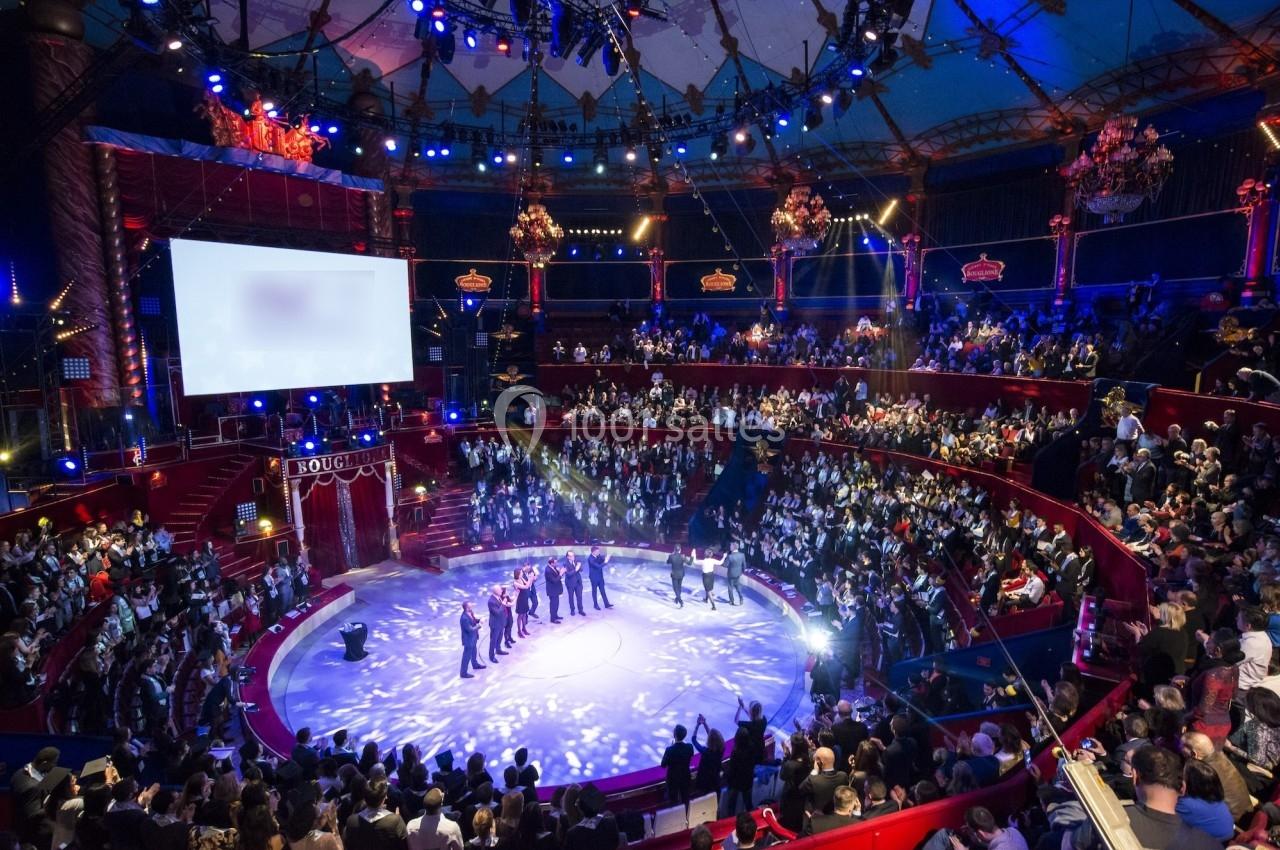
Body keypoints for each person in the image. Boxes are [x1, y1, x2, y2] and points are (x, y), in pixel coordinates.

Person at [342, 780, 407, 850]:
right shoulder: (395, 821)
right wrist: (397, 820)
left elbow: (348, 845)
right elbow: (404, 845)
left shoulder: (351, 821)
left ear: (365, 798)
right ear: (384, 798)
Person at [660, 724, 694, 806]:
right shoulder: (689, 747)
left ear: (674, 734)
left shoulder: (669, 750)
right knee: (685, 798)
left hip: (673, 779)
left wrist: (672, 747)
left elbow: (663, 765)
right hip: (685, 776)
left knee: (673, 800)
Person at [459, 601, 484, 679]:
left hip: (473, 638)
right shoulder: (464, 618)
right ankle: (463, 673)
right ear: (467, 607)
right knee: (466, 656)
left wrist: (479, 620)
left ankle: (475, 664)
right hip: (468, 640)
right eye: (470, 606)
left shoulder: (470, 613)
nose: (472, 606)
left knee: (474, 652)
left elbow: (474, 620)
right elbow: (470, 629)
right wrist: (480, 625)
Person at [486, 586, 508, 665]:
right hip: (495, 624)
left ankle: (498, 650)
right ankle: (491, 656)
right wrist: (503, 603)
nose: (501, 591)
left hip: (501, 622)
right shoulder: (491, 601)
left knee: (500, 637)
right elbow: (498, 612)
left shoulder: (499, 597)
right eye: (500, 590)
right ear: (495, 591)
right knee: (493, 640)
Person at [586, 546, 612, 610]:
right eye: (597, 551)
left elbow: (602, 560)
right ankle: (595, 605)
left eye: (599, 551)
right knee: (594, 591)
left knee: (603, 590)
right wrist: (605, 562)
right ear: (593, 552)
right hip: (594, 577)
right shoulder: (590, 559)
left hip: (600, 577)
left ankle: (606, 604)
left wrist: (606, 558)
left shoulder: (598, 556)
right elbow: (598, 566)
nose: (599, 552)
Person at [723, 542, 746, 606]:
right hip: (738, 574)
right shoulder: (742, 555)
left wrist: (725, 557)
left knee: (730, 587)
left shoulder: (730, 556)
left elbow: (725, 565)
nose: (730, 547)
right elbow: (744, 565)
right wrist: (741, 572)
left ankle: (731, 601)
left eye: (731, 546)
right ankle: (741, 598)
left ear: (733, 547)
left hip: (731, 574)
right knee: (737, 586)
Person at [563, 553, 585, 617]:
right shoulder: (565, 564)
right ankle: (572, 610)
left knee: (579, 597)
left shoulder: (576, 561)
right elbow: (568, 574)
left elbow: (581, 570)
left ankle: (580, 610)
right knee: (571, 597)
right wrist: (576, 569)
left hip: (578, 583)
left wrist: (580, 566)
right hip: (570, 583)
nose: (573, 557)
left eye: (573, 555)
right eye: (571, 556)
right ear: (568, 557)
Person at [544, 558, 564, 623]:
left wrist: (560, 572)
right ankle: (552, 619)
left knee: (556, 603)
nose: (557, 564)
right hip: (552, 590)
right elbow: (554, 580)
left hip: (556, 590)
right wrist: (560, 574)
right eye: (555, 563)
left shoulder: (553, 567)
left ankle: (555, 615)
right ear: (551, 563)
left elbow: (557, 576)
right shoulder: (548, 570)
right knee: (553, 605)